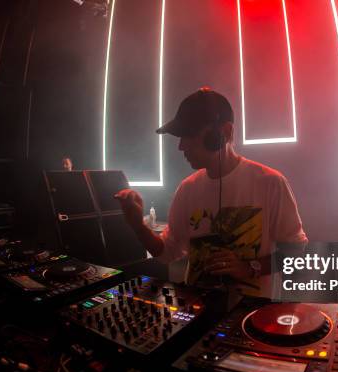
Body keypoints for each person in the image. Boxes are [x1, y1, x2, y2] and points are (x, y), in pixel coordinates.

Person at [115, 87, 307, 297]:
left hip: (249, 317)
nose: (181, 146)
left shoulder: (271, 183)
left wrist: (249, 267)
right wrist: (137, 225)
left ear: (223, 133)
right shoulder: (187, 189)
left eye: (189, 135)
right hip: (196, 310)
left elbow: (296, 252)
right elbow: (166, 253)